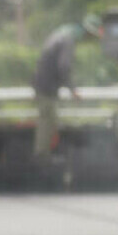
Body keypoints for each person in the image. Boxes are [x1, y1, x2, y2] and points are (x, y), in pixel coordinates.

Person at [33, 14, 101, 159]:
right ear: (87, 32)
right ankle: (41, 158)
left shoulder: (63, 33)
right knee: (47, 120)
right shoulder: (68, 40)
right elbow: (64, 67)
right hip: (46, 85)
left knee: (50, 119)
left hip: (43, 81)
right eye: (90, 36)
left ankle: (44, 155)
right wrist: (72, 90)